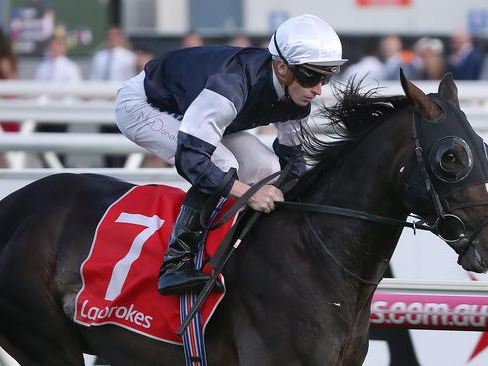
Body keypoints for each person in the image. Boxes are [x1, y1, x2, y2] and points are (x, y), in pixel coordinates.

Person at [115, 14, 346, 295]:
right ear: (282, 67)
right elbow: (192, 159)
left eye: (326, 76)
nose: (319, 89)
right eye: (312, 76)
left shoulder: (298, 98)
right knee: (222, 163)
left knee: (268, 168)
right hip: (144, 104)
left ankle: (246, 247)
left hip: (194, 106)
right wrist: (250, 194)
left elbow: (292, 163)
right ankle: (176, 262)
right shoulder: (231, 83)